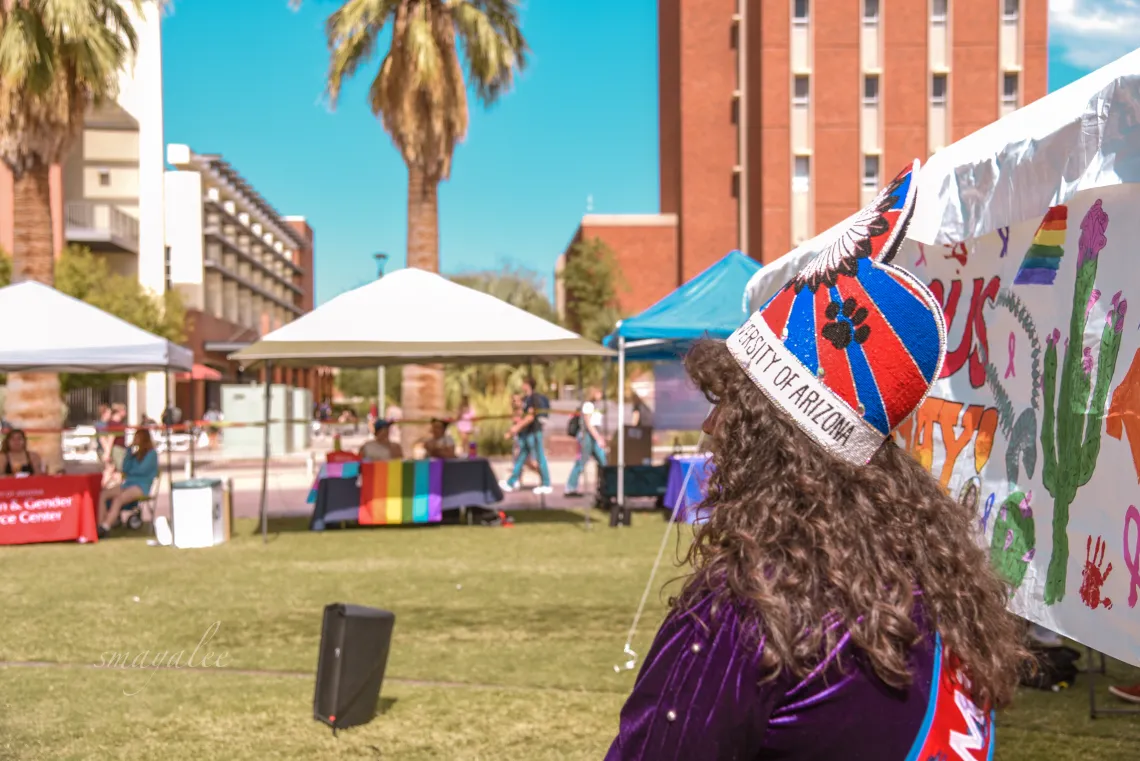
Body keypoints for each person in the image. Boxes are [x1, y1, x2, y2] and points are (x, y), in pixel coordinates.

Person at [604, 161, 1025, 759]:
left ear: (770, 439)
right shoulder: (937, 585)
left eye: (729, 406)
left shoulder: (748, 609)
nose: (709, 427)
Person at [97, 427, 159, 537]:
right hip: (128, 483)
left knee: (119, 499)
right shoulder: (134, 454)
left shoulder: (151, 454)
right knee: (104, 494)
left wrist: (130, 471)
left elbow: (141, 470)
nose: (135, 439)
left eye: (137, 437)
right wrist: (129, 452)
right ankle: (100, 524)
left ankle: (105, 527)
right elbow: (125, 468)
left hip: (141, 486)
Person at [500, 377, 551, 495]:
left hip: (534, 431)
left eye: (524, 383)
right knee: (522, 456)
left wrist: (516, 428)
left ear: (528, 384)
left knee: (539, 457)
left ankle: (546, 483)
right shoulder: (527, 399)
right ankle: (511, 482)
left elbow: (530, 417)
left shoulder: (533, 398)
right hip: (528, 432)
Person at [565, 387, 606, 497]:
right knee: (581, 462)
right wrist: (598, 437)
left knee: (604, 462)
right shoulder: (588, 405)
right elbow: (588, 424)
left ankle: (606, 486)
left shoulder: (596, 405)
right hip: (586, 437)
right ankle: (570, 487)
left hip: (594, 436)